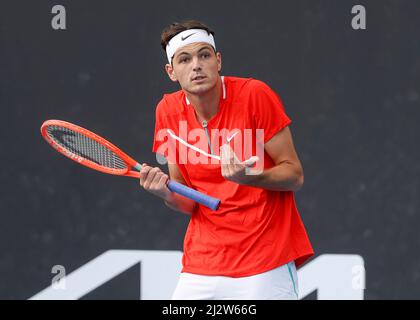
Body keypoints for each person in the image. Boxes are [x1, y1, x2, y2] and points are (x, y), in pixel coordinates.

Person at [139, 19, 314, 300]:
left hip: (264, 261)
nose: (196, 65)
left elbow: (294, 175)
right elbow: (187, 197)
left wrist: (251, 178)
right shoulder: (168, 111)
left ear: (218, 61)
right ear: (171, 72)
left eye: (204, 55)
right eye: (184, 59)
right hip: (203, 264)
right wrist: (165, 193)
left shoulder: (255, 95)